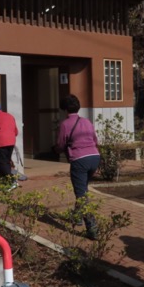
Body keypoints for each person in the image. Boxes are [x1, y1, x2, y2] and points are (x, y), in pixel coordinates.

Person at [55, 94, 101, 239]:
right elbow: (95, 140)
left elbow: (61, 145)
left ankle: (92, 227)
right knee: (83, 189)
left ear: (65, 109)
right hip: (94, 157)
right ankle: (77, 216)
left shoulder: (65, 124)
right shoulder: (86, 121)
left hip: (79, 159)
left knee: (81, 194)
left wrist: (55, 150)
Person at [0, 100, 19, 190]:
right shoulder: (10, 116)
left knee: (2, 163)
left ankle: (12, 181)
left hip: (1, 142)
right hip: (11, 142)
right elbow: (16, 131)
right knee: (6, 161)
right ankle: (5, 182)